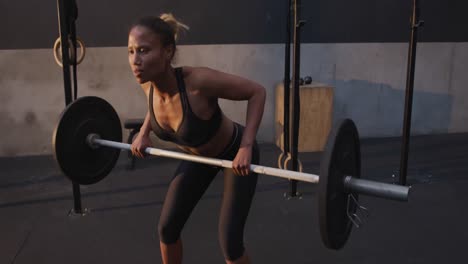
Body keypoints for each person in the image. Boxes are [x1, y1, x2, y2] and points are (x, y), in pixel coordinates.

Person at [128, 13, 266, 264]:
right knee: (167, 229)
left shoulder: (198, 82)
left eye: (144, 50)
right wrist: (144, 133)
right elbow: (156, 105)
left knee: (231, 245)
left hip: (234, 153)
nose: (135, 60)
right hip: (198, 156)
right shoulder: (147, 82)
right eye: (131, 51)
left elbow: (256, 92)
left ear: (168, 52)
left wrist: (246, 146)